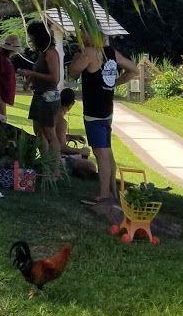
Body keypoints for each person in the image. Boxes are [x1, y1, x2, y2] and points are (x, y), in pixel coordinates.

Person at [68, 30, 138, 205]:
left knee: (101, 152)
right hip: (107, 109)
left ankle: (104, 195)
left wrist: (79, 53)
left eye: (83, 33)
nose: (80, 36)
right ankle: (112, 192)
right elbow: (133, 70)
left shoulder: (90, 53)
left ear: (91, 35)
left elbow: (72, 72)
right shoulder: (111, 52)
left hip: (94, 111)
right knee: (107, 150)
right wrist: (115, 82)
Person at [22, 21, 62, 160]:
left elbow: (54, 78)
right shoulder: (42, 53)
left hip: (48, 98)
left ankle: (55, 171)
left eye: (32, 37)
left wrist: (32, 75)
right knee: (38, 131)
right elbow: (37, 70)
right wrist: (29, 80)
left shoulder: (51, 53)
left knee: (50, 134)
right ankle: (44, 163)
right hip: (38, 95)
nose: (30, 40)